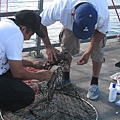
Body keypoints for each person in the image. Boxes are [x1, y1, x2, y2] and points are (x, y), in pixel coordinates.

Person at [40, 0, 110, 100]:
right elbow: (40, 22)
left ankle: (94, 83)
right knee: (67, 49)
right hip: (71, 26)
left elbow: (102, 32)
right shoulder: (61, 7)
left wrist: (88, 52)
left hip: (94, 26)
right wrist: (48, 46)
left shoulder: (102, 14)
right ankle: (65, 78)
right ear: (72, 14)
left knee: (98, 51)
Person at [0, 10, 52, 112]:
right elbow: (18, 73)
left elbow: (12, 59)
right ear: (23, 28)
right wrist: (38, 76)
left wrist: (32, 64)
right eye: (31, 34)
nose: (28, 39)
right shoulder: (16, 34)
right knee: (27, 96)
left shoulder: (7, 24)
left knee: (16, 79)